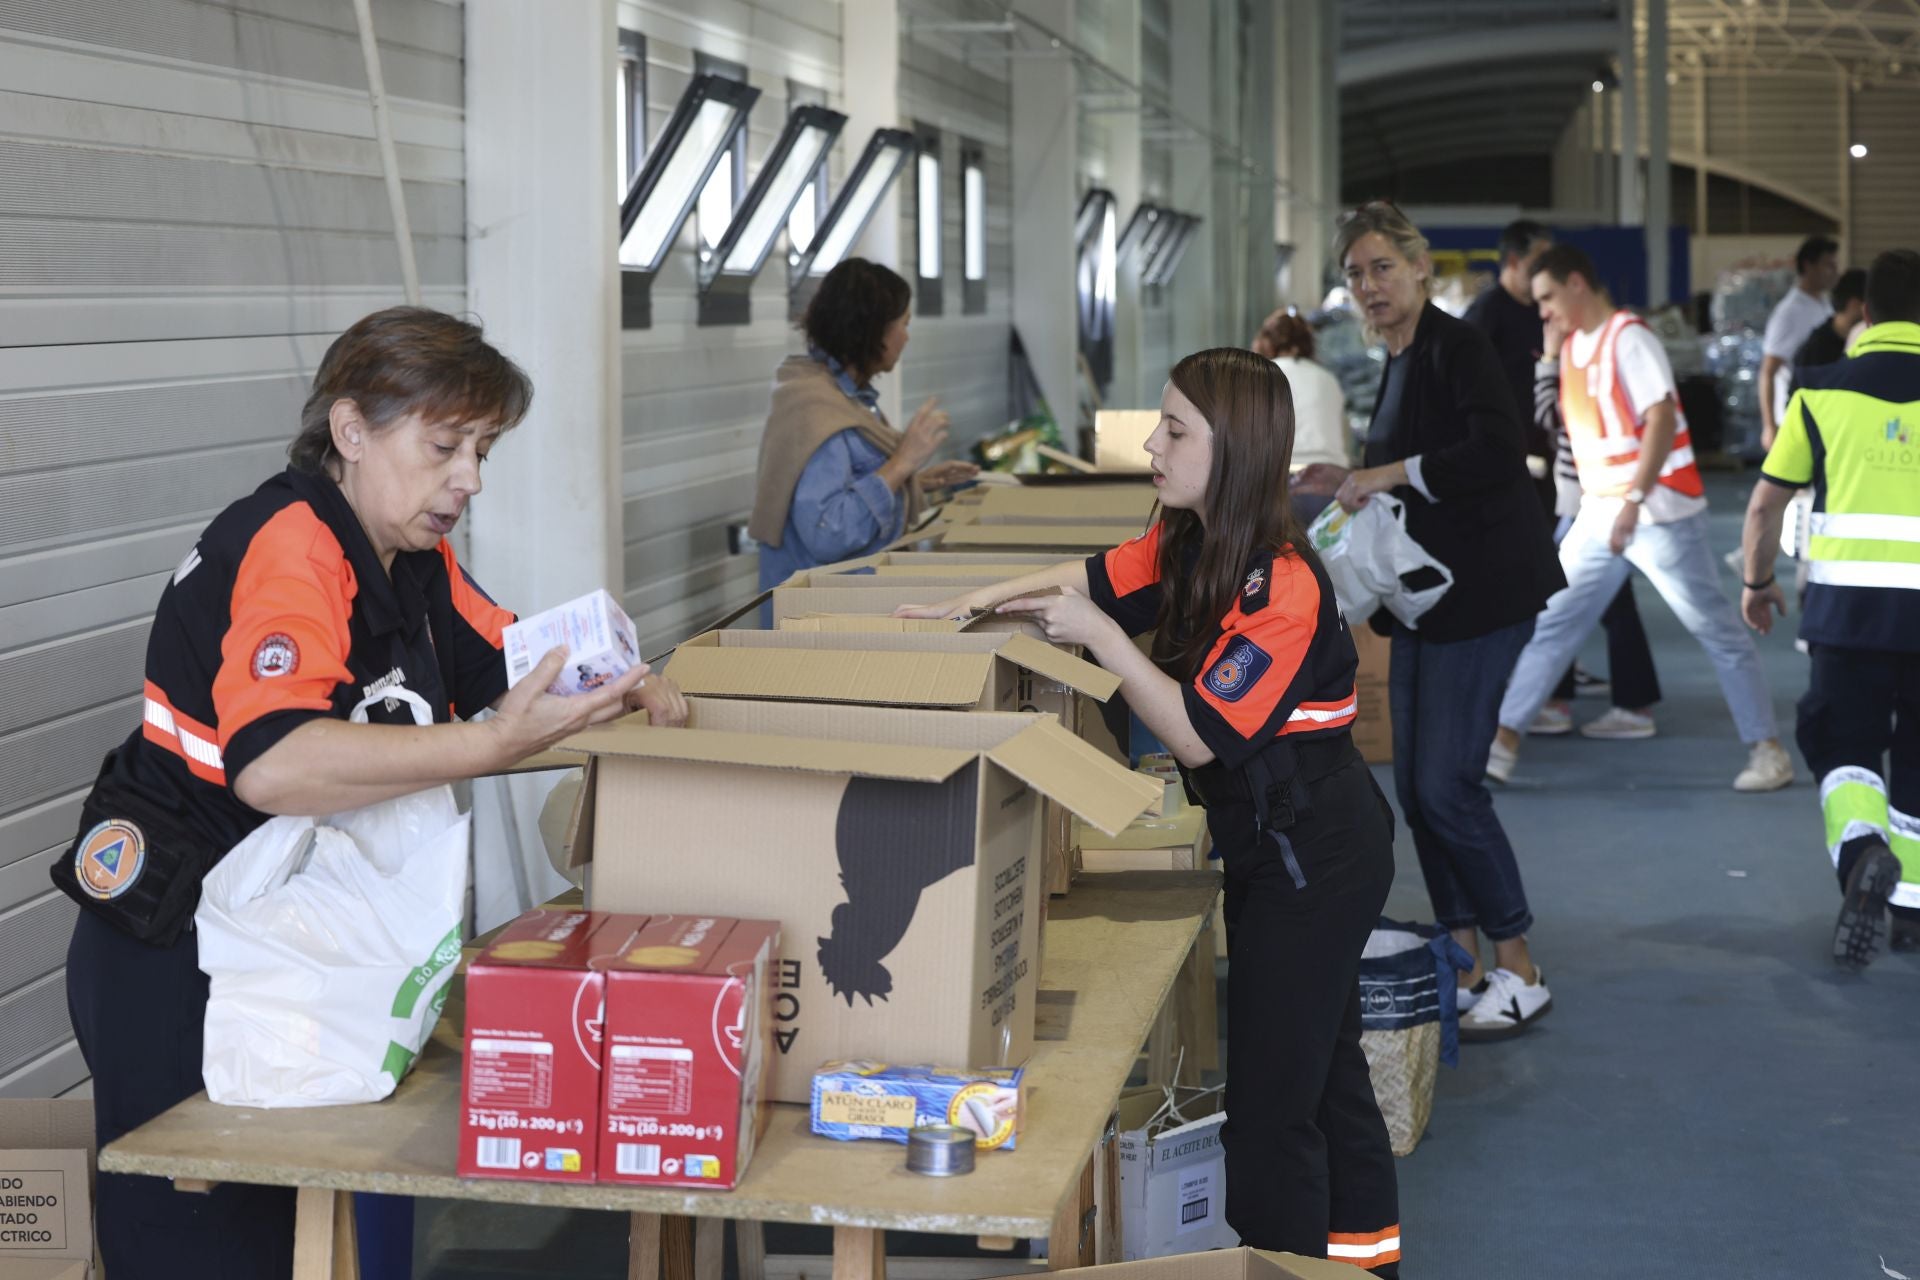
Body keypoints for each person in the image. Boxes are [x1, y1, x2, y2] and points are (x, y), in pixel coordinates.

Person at [53, 307, 690, 1278]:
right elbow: (273, 761)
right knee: (215, 1244)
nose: (468, 479)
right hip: (183, 952)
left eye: (482, 449)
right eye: (444, 446)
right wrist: (486, 745)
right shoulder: (291, 543)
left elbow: (514, 670)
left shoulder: (413, 561)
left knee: (331, 1226)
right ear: (351, 430)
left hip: (298, 940)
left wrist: (621, 678)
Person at [900, 349, 1402, 1274]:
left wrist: (1103, 644)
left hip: (1316, 853)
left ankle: (1281, 1264)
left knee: (1269, 1112)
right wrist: (964, 604)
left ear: (1238, 450)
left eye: (1176, 430)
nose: (1152, 444)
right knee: (1326, 1080)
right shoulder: (1190, 540)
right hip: (1276, 844)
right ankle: (1364, 1264)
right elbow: (1086, 579)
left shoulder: (1280, 583)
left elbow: (1199, 733)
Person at [1295, 202, 1565, 1042]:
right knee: (1414, 788)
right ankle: (1463, 955)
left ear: (1418, 269)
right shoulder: (1401, 359)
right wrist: (1358, 475)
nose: (1368, 286)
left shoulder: (1459, 347)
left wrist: (1382, 474)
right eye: (1354, 274)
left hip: (1482, 596)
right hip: (1427, 604)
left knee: (1448, 786)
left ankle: (1519, 964)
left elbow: (1494, 449)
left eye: (1381, 267)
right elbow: (1402, 470)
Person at [1493, 244, 1792, 793]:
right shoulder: (1578, 347)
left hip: (1658, 515)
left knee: (1716, 630)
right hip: (1601, 514)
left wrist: (1632, 499)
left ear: (1577, 284)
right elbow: (1560, 426)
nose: (1543, 312)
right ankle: (1503, 742)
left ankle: (1768, 749)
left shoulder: (1630, 339)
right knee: (1554, 624)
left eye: (1548, 298)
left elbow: (1660, 416)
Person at [1740, 248, 1920, 970]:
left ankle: (1863, 853)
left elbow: (1764, 505)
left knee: (1843, 744)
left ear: (1865, 312)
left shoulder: (1817, 391)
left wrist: (1758, 584)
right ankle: (1912, 906)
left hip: (1848, 620)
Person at [748, 258, 977, 602]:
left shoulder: (844, 397)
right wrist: (901, 462)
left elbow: (849, 487)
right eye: (904, 324)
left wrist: (918, 481)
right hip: (819, 623)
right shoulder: (816, 409)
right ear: (874, 331)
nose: (907, 337)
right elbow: (828, 533)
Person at [1526, 308, 1666, 741]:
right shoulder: (1592, 359)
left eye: (1551, 303)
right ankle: (1573, 699)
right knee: (1589, 603)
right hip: (1592, 500)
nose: (1548, 315)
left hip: (1587, 503)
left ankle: (1573, 701)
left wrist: (1547, 361)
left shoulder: (1576, 363)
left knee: (1568, 603)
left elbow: (1549, 416)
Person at [1759, 234, 1840, 451]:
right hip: (1793, 415)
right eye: (1828, 265)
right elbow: (1768, 371)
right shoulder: (1789, 313)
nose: (1834, 272)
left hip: (1820, 411)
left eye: (1835, 265)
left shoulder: (1826, 305)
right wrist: (1769, 426)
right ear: (1808, 266)